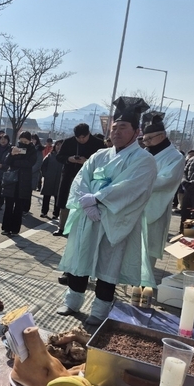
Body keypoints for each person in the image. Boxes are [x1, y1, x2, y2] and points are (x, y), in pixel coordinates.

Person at [56, 97, 157, 326]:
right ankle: (72, 302)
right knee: (80, 258)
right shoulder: (99, 155)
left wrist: (97, 198)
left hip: (115, 219)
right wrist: (87, 202)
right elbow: (81, 179)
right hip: (89, 216)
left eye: (123, 127)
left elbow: (131, 187)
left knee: (108, 265)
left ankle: (100, 310)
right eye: (114, 127)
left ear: (136, 132)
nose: (117, 132)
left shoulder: (144, 160)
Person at [139, 116, 185, 272]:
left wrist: (138, 182)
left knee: (149, 245)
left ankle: (144, 279)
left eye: (149, 139)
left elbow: (166, 180)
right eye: (144, 139)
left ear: (162, 135)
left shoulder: (175, 157)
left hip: (156, 205)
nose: (146, 142)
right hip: (136, 203)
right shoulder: (143, 153)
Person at [52, 123, 105, 236]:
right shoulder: (68, 142)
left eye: (83, 137)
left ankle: (82, 229)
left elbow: (104, 161)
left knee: (85, 203)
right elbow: (59, 157)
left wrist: (87, 161)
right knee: (65, 202)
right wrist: (69, 159)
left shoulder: (98, 143)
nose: (81, 140)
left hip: (89, 178)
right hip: (69, 176)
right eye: (78, 138)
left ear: (88, 134)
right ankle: (61, 227)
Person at [0, 131, 36, 235]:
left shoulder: (32, 150)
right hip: (11, 181)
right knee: (8, 206)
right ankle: (6, 228)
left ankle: (15, 229)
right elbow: (6, 162)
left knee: (18, 207)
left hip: (24, 182)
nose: (23, 143)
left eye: (26, 142)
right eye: (21, 141)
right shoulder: (13, 148)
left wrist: (15, 162)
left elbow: (29, 163)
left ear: (30, 141)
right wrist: (12, 154)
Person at [39, 140, 64, 219]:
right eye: (57, 145)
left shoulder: (65, 157)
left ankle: (56, 214)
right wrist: (45, 174)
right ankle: (44, 212)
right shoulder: (50, 155)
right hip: (49, 179)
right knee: (46, 196)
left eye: (61, 145)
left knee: (58, 198)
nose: (59, 147)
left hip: (60, 180)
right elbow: (43, 166)